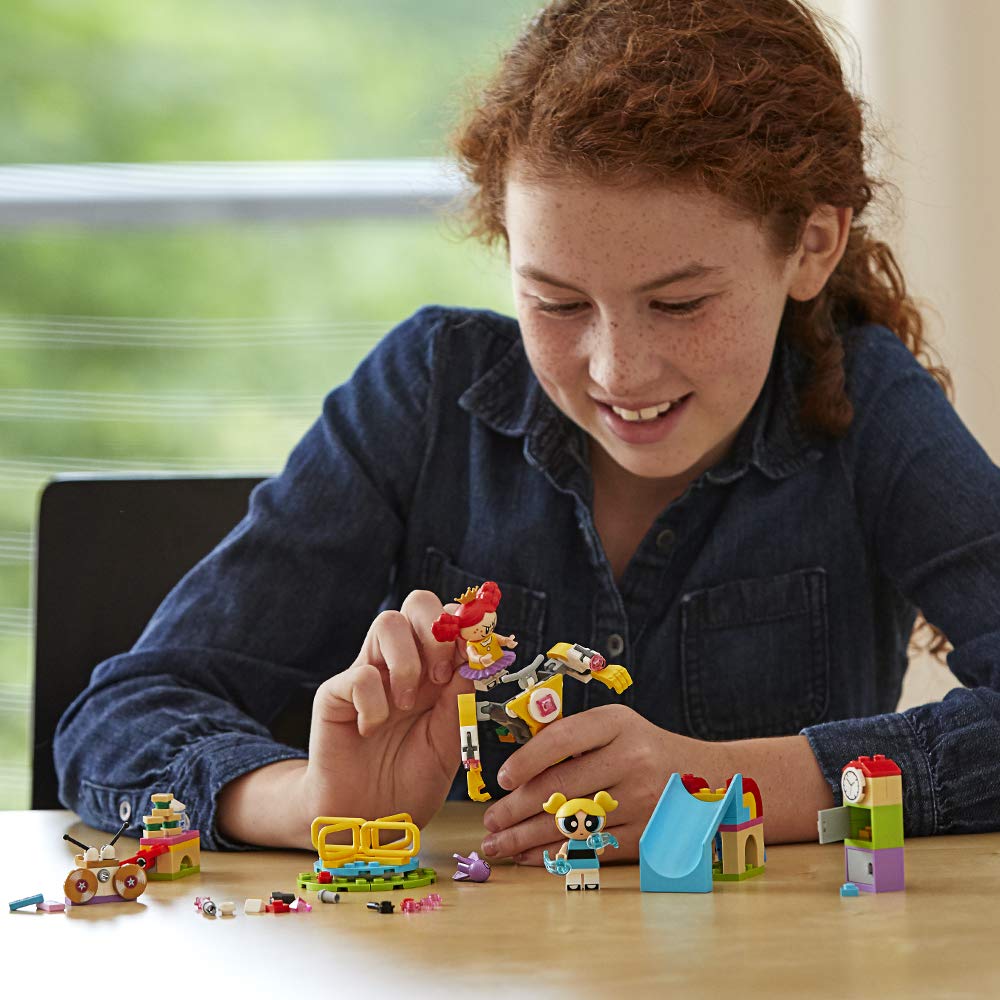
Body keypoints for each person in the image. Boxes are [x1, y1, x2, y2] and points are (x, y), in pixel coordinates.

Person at [54, 0, 1000, 863]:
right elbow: (122, 717)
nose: (616, 371)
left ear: (813, 245)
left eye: (678, 303)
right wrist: (308, 801)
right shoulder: (427, 391)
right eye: (557, 300)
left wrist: (726, 786)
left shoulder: (867, 404)